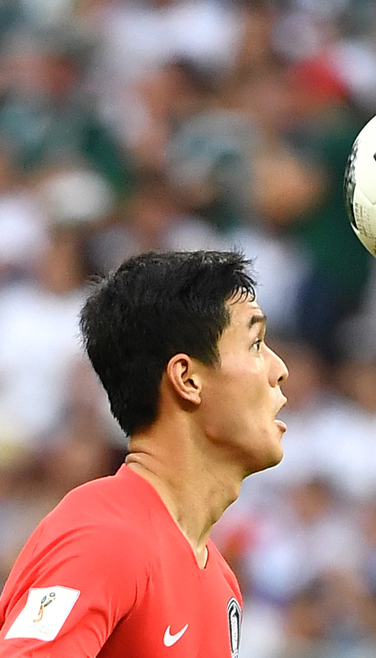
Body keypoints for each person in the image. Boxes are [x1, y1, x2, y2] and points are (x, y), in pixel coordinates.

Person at [0, 250, 289, 656]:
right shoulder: (105, 534)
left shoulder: (222, 582)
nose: (280, 369)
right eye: (255, 344)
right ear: (187, 379)